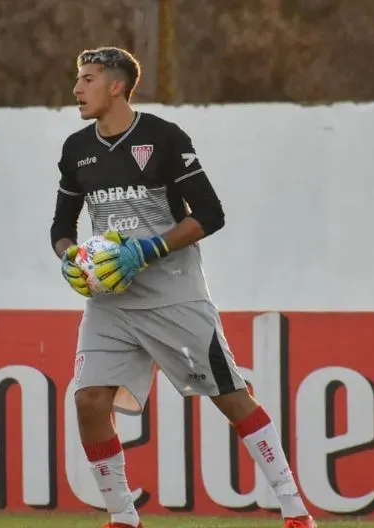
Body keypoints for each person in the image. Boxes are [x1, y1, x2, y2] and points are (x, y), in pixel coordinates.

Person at [50, 46, 316, 528]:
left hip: (174, 293)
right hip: (110, 301)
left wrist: (144, 251)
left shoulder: (163, 138)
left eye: (87, 79)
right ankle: (123, 517)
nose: (77, 89)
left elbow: (210, 214)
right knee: (88, 400)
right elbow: (61, 227)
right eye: (78, 79)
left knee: (231, 397)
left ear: (115, 86)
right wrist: (71, 257)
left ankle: (294, 507)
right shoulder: (76, 149)